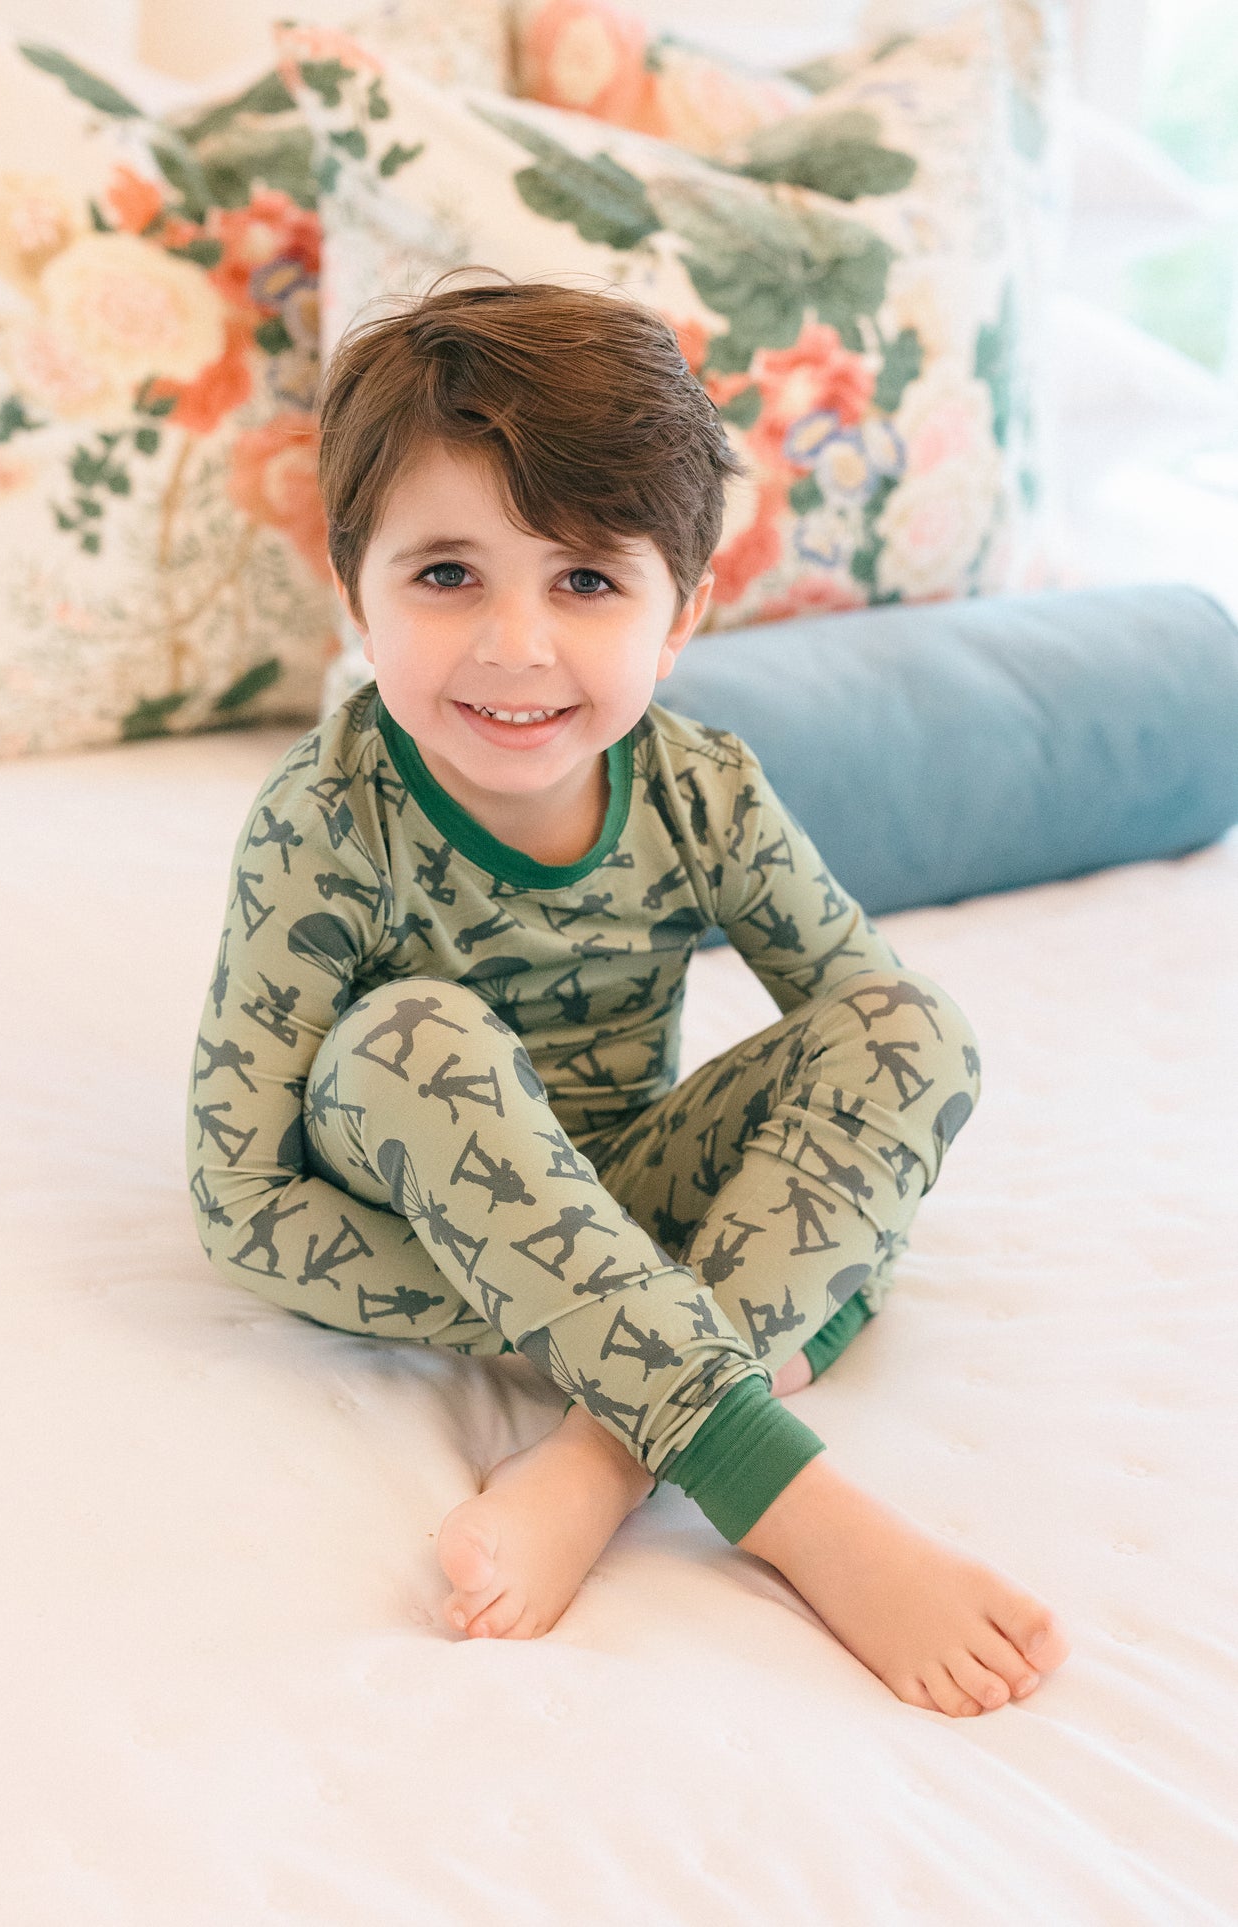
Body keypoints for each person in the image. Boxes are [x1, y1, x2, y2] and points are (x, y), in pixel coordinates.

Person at [184, 271, 1071, 1716]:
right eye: (447, 572)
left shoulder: (701, 792)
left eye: (586, 579)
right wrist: (614, 1307)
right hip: (425, 1187)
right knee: (414, 1032)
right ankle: (783, 1495)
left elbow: (867, 1036)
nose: (517, 645)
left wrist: (616, 1337)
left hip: (632, 1183)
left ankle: (607, 1457)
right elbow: (240, 1204)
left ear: (679, 614)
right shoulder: (322, 819)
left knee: (915, 1028)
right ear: (352, 585)